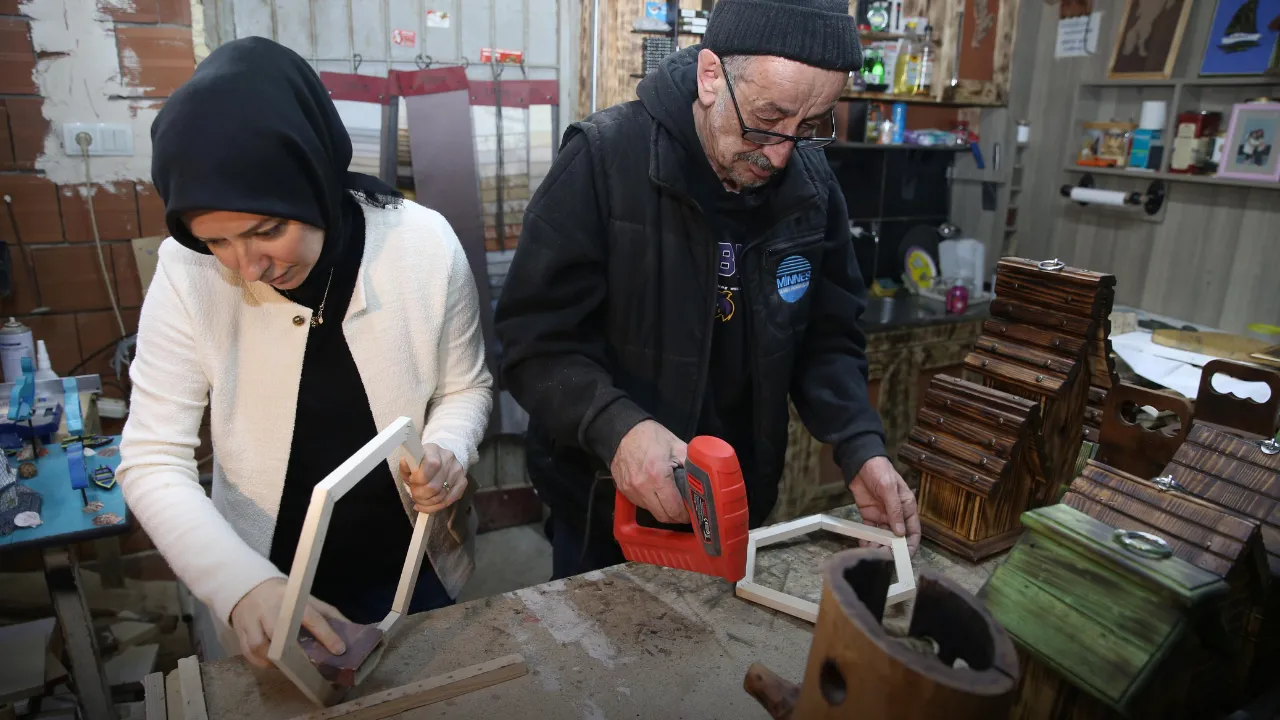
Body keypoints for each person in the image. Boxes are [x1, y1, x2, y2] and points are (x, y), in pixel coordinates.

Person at [495, 0, 920, 580]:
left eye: (811, 125)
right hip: (605, 509)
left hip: (740, 502)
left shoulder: (812, 189)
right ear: (711, 75)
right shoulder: (603, 160)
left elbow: (827, 340)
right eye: (767, 120)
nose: (781, 153)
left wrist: (858, 444)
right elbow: (533, 339)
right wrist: (616, 427)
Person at [118, 38, 492, 666]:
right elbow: (152, 459)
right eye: (218, 241)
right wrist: (244, 589)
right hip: (267, 581)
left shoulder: (423, 248)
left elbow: (466, 388)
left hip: (411, 567)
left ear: (315, 178)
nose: (249, 264)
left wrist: (450, 450)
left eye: (269, 229)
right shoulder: (187, 275)